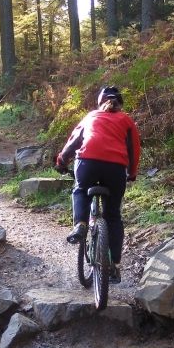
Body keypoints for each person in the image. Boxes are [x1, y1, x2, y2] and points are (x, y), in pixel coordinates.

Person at [55, 85, 141, 284]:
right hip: (115, 169)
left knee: (80, 190)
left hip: (88, 163)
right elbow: (134, 149)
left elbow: (74, 141)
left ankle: (80, 225)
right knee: (113, 216)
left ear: (100, 102)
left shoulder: (91, 116)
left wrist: (61, 160)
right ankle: (113, 266)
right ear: (120, 104)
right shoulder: (126, 120)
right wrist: (132, 172)